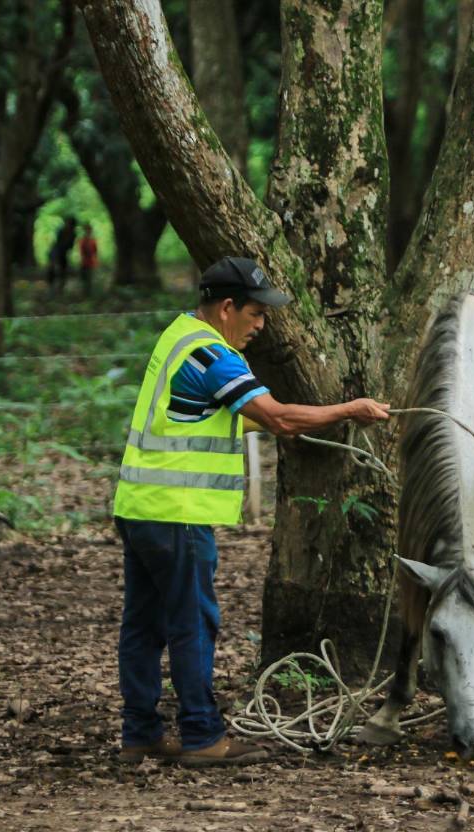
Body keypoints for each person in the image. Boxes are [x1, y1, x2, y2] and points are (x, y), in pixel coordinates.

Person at [112, 256, 391, 767]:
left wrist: (289, 420)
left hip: (138, 507)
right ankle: (201, 736)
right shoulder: (215, 356)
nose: (261, 326)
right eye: (256, 313)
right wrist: (351, 410)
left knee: (143, 624)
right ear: (226, 308)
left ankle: (140, 734)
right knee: (194, 623)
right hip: (179, 513)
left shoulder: (178, 337)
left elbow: (202, 418)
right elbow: (280, 418)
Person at [48, 217, 77, 296]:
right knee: (52, 268)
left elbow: (70, 246)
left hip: (63, 253)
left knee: (63, 270)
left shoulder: (73, 234)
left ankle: (60, 288)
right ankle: (51, 287)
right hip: (56, 252)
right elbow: (58, 243)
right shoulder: (61, 230)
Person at [78, 223, 98, 296]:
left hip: (91, 262)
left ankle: (89, 294)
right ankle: (84, 293)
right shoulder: (82, 240)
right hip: (84, 262)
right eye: (86, 230)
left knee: (90, 278)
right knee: (84, 278)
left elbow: (95, 251)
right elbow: (81, 251)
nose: (88, 231)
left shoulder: (93, 241)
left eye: (89, 230)